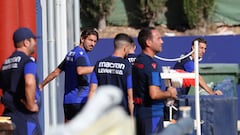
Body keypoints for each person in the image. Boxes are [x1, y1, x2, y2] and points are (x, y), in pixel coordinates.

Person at [39, 28, 99, 122]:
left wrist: (41, 85)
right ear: (82, 39)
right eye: (90, 40)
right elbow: (80, 70)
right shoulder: (80, 55)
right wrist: (98, 67)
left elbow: (56, 72)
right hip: (80, 100)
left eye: (95, 41)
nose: (93, 44)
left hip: (68, 100)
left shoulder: (71, 53)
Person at [132, 27, 177, 135]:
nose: (162, 41)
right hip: (152, 115)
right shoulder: (152, 65)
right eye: (158, 38)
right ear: (148, 42)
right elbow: (154, 94)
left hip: (139, 113)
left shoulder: (137, 61)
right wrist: (170, 93)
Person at [0, 27, 42, 135]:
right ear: (26, 42)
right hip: (25, 118)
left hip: (7, 118)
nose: (35, 44)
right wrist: (31, 104)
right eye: (33, 40)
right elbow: (29, 81)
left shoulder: (6, 64)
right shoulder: (28, 61)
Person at [88, 33, 134, 116]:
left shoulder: (99, 64)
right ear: (125, 48)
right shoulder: (127, 66)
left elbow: (92, 91)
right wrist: (132, 119)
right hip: (120, 115)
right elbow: (130, 97)